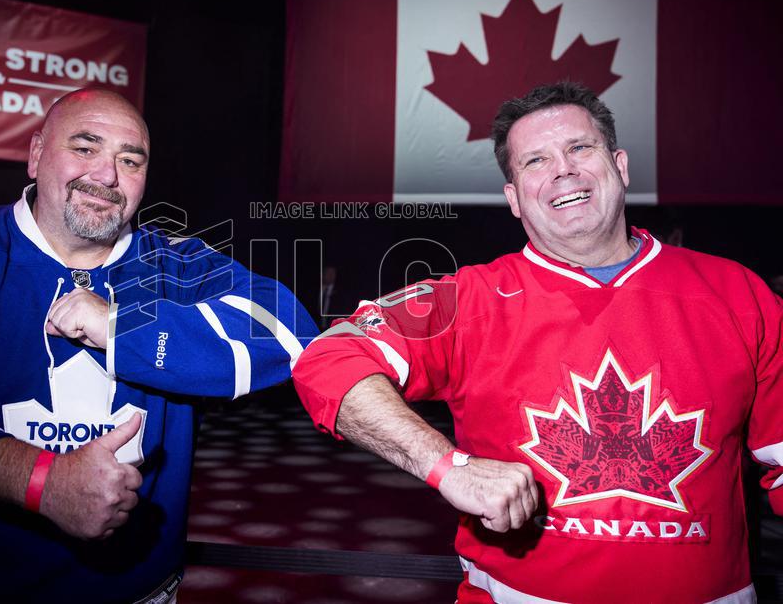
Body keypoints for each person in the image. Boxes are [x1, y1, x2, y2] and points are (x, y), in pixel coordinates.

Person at [292, 82, 781, 603]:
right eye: (535, 161)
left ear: (620, 166)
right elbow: (329, 358)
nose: (563, 170)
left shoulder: (738, 294)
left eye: (579, 148)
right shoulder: (468, 299)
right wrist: (448, 466)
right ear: (514, 199)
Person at [0, 87, 316, 603]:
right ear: (36, 155)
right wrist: (44, 483)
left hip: (130, 592)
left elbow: (288, 334)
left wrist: (122, 327)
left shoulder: (176, 263)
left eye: (130, 160)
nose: (107, 175)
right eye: (85, 147)